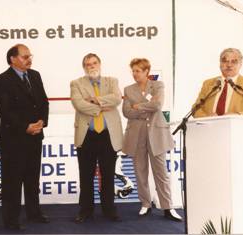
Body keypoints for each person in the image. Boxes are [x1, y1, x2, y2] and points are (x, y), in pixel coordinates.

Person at [0, 44, 49, 230]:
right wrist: (26, 127)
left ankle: (34, 214)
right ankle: (11, 220)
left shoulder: (35, 75)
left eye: (29, 55)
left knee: (33, 179)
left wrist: (41, 122)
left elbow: (43, 101)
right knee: (12, 181)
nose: (29, 59)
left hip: (35, 136)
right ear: (13, 59)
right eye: (25, 56)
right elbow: (4, 111)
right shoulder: (2, 80)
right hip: (13, 139)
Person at [122, 58, 182, 222]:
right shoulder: (128, 89)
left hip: (156, 133)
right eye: (133, 71)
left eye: (138, 71)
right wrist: (147, 105)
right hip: (136, 134)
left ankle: (167, 207)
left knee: (161, 172)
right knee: (140, 171)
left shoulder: (158, 85)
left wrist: (138, 106)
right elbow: (126, 112)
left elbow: (158, 106)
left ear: (147, 71)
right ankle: (145, 204)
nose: (135, 74)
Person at [70, 53, 123, 223]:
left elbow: (116, 99)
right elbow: (78, 104)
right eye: (87, 64)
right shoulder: (76, 83)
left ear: (99, 64)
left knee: (108, 175)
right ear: (84, 67)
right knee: (86, 175)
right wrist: (101, 107)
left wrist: (95, 100)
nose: (91, 66)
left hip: (108, 136)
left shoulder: (112, 81)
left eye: (94, 63)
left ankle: (109, 210)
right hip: (87, 136)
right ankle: (86, 211)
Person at [193, 48, 243, 118]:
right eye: (224, 61)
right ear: (220, 63)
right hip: (210, 128)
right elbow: (195, 109)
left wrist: (237, 116)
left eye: (234, 61)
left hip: (238, 128)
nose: (229, 65)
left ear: (240, 64)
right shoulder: (208, 84)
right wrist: (208, 118)